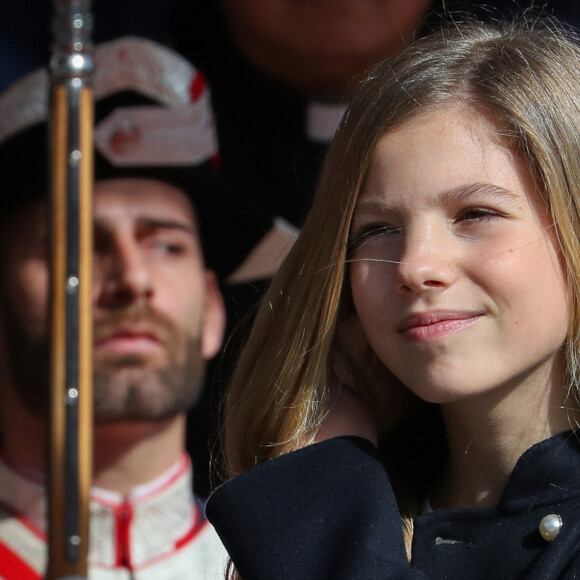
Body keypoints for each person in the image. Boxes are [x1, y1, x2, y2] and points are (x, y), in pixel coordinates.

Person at [206, 17, 580, 579]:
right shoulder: (321, 503)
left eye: (476, 214)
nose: (414, 266)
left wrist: (325, 502)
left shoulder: (325, 505)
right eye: (376, 229)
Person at [0, 37, 281, 579]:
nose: (132, 278)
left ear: (212, 312)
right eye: (74, 248)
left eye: (165, 244)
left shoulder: (283, 568)